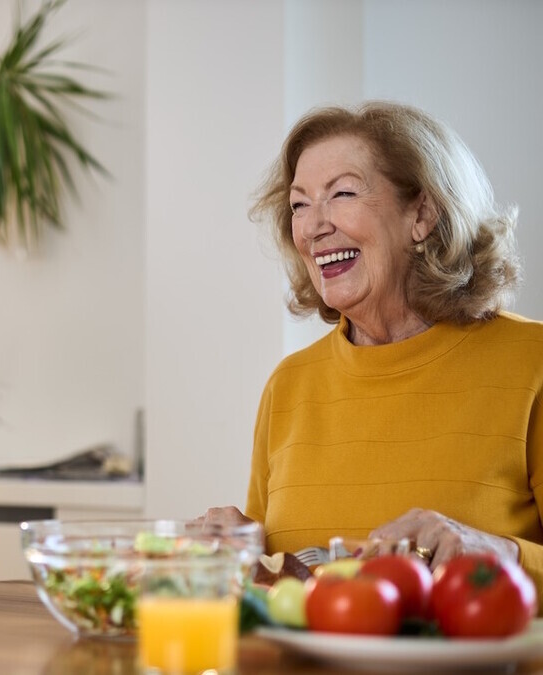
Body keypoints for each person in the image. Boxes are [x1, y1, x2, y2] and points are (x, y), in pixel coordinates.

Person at [203, 101, 543, 596]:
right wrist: (238, 552)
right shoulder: (289, 385)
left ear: (421, 214)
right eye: (299, 205)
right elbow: (275, 589)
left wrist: (501, 554)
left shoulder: (531, 362)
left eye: (342, 193)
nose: (313, 227)